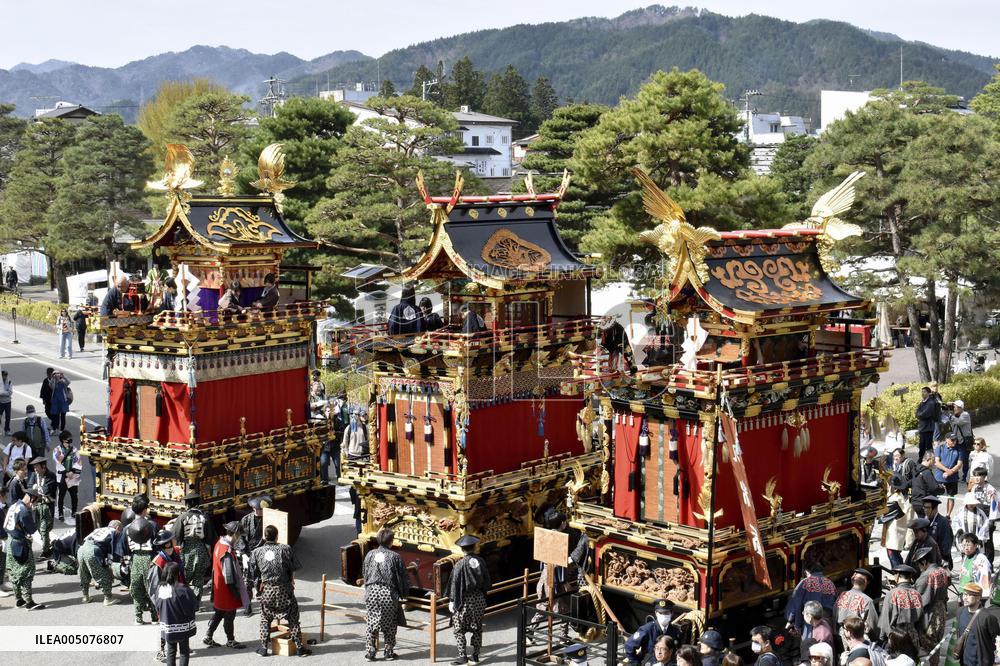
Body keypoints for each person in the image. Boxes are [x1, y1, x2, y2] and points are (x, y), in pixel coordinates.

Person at [249, 524, 311, 657]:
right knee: (293, 619)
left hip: (267, 591)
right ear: (277, 536)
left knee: (265, 619)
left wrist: (257, 591)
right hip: (284, 590)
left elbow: (253, 574)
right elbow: (293, 568)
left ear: (265, 537)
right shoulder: (285, 549)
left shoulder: (256, 552)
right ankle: (300, 648)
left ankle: (264, 648)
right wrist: (291, 581)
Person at [362, 527, 409, 661]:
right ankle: (388, 652)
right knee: (390, 623)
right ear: (391, 541)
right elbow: (402, 577)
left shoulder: (370, 554)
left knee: (372, 622)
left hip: (371, 592)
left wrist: (367, 587)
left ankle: (370, 652)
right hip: (388, 593)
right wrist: (404, 593)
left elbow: (365, 572)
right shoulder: (395, 556)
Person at [204, 521, 248, 650]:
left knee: (219, 613)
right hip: (226, 591)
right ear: (235, 534)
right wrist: (235, 593)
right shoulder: (227, 551)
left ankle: (208, 635)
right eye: (239, 535)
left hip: (218, 587)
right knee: (229, 616)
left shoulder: (219, 543)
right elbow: (229, 577)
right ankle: (230, 640)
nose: (239, 538)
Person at [449, 535, 490, 666]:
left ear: (462, 549)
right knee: (477, 628)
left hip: (464, 600)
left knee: (459, 629)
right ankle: (475, 655)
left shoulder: (459, 564)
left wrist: (452, 600)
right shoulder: (481, 561)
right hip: (478, 599)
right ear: (474, 547)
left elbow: (454, 584)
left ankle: (463, 656)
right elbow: (487, 581)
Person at [4, 487, 45, 609]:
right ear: (32, 499)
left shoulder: (14, 505)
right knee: (27, 572)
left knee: (14, 572)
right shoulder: (24, 511)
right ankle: (29, 602)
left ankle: (19, 599)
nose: (35, 504)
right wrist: (45, 545)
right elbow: (33, 532)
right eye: (36, 501)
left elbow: (5, 525)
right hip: (21, 544)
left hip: (10, 542)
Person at [152, 562, 198, 666]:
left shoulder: (160, 588)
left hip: (168, 626)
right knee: (184, 652)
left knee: (171, 652)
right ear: (178, 573)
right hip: (183, 626)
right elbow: (193, 606)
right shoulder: (183, 589)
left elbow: (157, 606)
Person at [173, 490, 215, 602]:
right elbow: (209, 537)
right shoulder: (204, 517)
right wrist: (209, 552)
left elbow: (176, 535)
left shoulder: (182, 517)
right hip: (201, 548)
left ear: (187, 504)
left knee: (184, 577)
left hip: (186, 550)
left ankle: (184, 600)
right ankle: (196, 602)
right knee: (199, 579)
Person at [913, 546, 950, 666]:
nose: (919, 568)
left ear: (924, 562)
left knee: (926, 643)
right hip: (942, 610)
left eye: (919, 565)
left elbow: (920, 600)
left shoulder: (926, 576)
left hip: (930, 613)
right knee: (937, 644)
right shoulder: (941, 571)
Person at [125, 495, 158, 624]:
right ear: (144, 510)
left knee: (137, 587)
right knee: (152, 587)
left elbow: (124, 547)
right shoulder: (152, 525)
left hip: (135, 558)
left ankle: (138, 617)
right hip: (150, 558)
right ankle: (154, 616)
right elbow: (158, 543)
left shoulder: (128, 527)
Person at [238, 495, 271, 617]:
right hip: (249, 553)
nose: (260, 512)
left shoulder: (270, 519)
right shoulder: (246, 520)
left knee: (263, 582)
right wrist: (243, 554)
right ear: (253, 508)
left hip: (264, 554)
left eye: (262, 510)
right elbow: (240, 538)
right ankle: (248, 606)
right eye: (258, 509)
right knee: (247, 583)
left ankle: (265, 607)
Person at [625, 598, 683, 665]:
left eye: (666, 613)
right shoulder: (647, 629)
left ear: (671, 613)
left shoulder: (675, 631)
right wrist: (636, 664)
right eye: (660, 613)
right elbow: (629, 646)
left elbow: (678, 652)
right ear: (656, 613)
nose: (663, 615)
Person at [78, 519, 124, 605]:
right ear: (117, 527)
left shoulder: (99, 529)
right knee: (104, 574)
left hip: (81, 549)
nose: (120, 533)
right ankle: (108, 599)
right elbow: (113, 551)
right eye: (120, 530)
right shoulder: (114, 532)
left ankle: (85, 597)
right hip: (92, 551)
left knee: (84, 572)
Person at [785, 565, 837, 637]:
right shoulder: (830, 583)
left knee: (810, 643)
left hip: (811, 620)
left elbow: (795, 602)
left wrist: (790, 619)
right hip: (827, 622)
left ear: (807, 572)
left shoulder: (805, 582)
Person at [878, 564, 922, 647]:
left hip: (897, 637)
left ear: (897, 576)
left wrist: (882, 638)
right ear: (910, 577)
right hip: (913, 636)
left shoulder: (892, 594)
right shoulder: (917, 594)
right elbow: (921, 619)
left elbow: (886, 619)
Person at [834, 569, 879, 639]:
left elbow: (834, 614)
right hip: (857, 636)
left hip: (841, 634)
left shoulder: (842, 595)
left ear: (852, 581)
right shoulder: (866, 600)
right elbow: (872, 625)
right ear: (866, 582)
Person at [26, 456, 56, 558]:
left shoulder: (51, 476)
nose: (35, 469)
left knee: (44, 529)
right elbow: (30, 487)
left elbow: (46, 491)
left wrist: (36, 488)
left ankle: (46, 550)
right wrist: (35, 489)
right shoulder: (35, 475)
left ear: (43, 467)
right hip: (38, 505)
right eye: (34, 467)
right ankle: (48, 545)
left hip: (47, 506)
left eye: (36, 467)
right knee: (39, 528)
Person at [950, 583, 985, 666]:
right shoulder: (960, 611)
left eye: (969, 595)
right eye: (964, 594)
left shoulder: (986, 617)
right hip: (963, 660)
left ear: (978, 598)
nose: (965, 598)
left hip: (979, 662)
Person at [966, 467, 997, 563]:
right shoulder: (974, 488)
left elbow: (994, 506)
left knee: (987, 542)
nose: (977, 478)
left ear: (984, 477)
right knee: (976, 540)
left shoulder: (990, 489)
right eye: (975, 476)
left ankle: (989, 563)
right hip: (977, 518)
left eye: (979, 475)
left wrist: (992, 520)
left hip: (988, 519)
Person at [52, 430, 82, 524]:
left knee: (74, 495)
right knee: (61, 495)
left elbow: (78, 461)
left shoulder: (74, 450)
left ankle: (74, 511)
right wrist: (66, 472)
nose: (70, 440)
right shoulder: (57, 450)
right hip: (62, 476)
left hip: (73, 476)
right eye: (68, 439)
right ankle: (60, 513)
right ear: (63, 440)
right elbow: (58, 463)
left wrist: (72, 471)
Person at [953, 493, 991, 562]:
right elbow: (955, 521)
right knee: (965, 555)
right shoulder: (960, 511)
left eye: (973, 503)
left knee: (976, 558)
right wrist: (958, 529)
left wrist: (981, 536)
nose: (971, 505)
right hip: (964, 538)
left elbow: (986, 523)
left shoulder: (980, 512)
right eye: (969, 503)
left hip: (976, 538)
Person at [920, 496, 955, 569]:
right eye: (924, 507)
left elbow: (946, 544)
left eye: (928, 508)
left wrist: (942, 559)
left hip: (939, 561)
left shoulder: (943, 522)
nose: (925, 510)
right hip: (925, 561)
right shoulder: (923, 521)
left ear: (935, 508)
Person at [935, 435, 963, 516]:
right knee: (936, 496)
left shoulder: (959, 449)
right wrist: (947, 470)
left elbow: (959, 464)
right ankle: (935, 514)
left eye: (955, 440)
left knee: (951, 497)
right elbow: (937, 462)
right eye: (952, 440)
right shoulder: (940, 448)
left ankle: (948, 515)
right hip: (940, 477)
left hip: (952, 478)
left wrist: (950, 472)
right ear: (947, 439)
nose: (954, 442)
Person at [911, 452, 942, 518]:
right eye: (933, 461)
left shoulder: (915, 469)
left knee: (921, 523)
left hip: (915, 501)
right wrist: (941, 489)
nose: (934, 464)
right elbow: (933, 488)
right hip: (924, 503)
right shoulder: (926, 472)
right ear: (929, 459)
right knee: (927, 524)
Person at [950, 400, 974, 483]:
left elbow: (959, 422)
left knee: (964, 459)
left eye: (955, 407)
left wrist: (951, 416)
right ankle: (955, 475)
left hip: (965, 441)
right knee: (955, 457)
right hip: (956, 440)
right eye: (953, 406)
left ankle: (965, 476)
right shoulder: (955, 415)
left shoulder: (965, 415)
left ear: (960, 408)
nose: (954, 408)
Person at [916, 386, 940, 462]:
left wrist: (920, 415)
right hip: (922, 427)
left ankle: (930, 459)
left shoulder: (930, 402)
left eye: (924, 392)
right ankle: (921, 458)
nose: (922, 393)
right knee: (922, 444)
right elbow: (916, 413)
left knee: (928, 445)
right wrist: (919, 415)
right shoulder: (922, 402)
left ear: (928, 393)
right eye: (922, 392)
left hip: (928, 427)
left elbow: (925, 413)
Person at [39, 368, 55, 433]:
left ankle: (54, 425)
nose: (49, 375)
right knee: (47, 412)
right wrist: (43, 399)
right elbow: (42, 390)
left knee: (54, 412)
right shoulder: (45, 380)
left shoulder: (55, 381)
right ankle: (55, 421)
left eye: (50, 374)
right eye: (48, 374)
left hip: (55, 400)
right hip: (47, 399)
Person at [0, 370, 12, 436]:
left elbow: (10, 392)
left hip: (8, 402)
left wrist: (2, 392)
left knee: (8, 417)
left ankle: (7, 430)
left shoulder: (9, 382)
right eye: (3, 375)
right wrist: (5, 392)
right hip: (1, 402)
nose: (4, 376)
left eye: (6, 375)